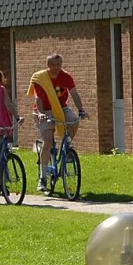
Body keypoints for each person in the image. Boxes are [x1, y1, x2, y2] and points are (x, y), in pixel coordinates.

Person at [29, 53, 87, 183]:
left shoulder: (66, 76)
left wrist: (81, 110)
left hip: (61, 108)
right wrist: (41, 113)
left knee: (73, 120)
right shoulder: (40, 78)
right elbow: (37, 98)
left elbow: (74, 94)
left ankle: (66, 147)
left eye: (58, 64)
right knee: (48, 142)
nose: (56, 68)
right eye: (53, 65)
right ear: (47, 65)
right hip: (44, 111)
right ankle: (43, 177)